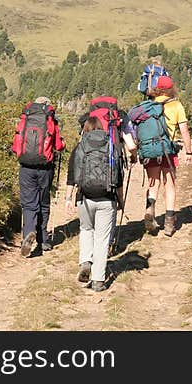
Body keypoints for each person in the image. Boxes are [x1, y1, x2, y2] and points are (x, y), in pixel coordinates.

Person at [64, 115, 132, 291]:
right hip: (107, 198)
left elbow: (72, 175)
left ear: (85, 129)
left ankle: (86, 261)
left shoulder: (80, 147)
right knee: (102, 239)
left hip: (85, 198)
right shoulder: (111, 147)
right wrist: (121, 201)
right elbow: (118, 178)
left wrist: (68, 199)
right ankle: (98, 280)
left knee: (86, 230)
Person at [11, 96, 65, 257]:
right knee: (43, 203)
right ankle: (43, 240)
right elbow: (58, 146)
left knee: (28, 204)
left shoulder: (25, 118)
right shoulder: (50, 121)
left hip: (26, 167)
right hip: (45, 168)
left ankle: (28, 233)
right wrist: (63, 143)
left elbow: (16, 146)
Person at [142, 76, 192, 237]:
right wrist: (189, 151)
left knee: (153, 183)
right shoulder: (176, 105)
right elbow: (184, 130)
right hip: (168, 150)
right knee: (169, 184)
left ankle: (150, 208)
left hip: (150, 150)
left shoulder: (149, 104)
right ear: (171, 89)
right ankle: (169, 222)